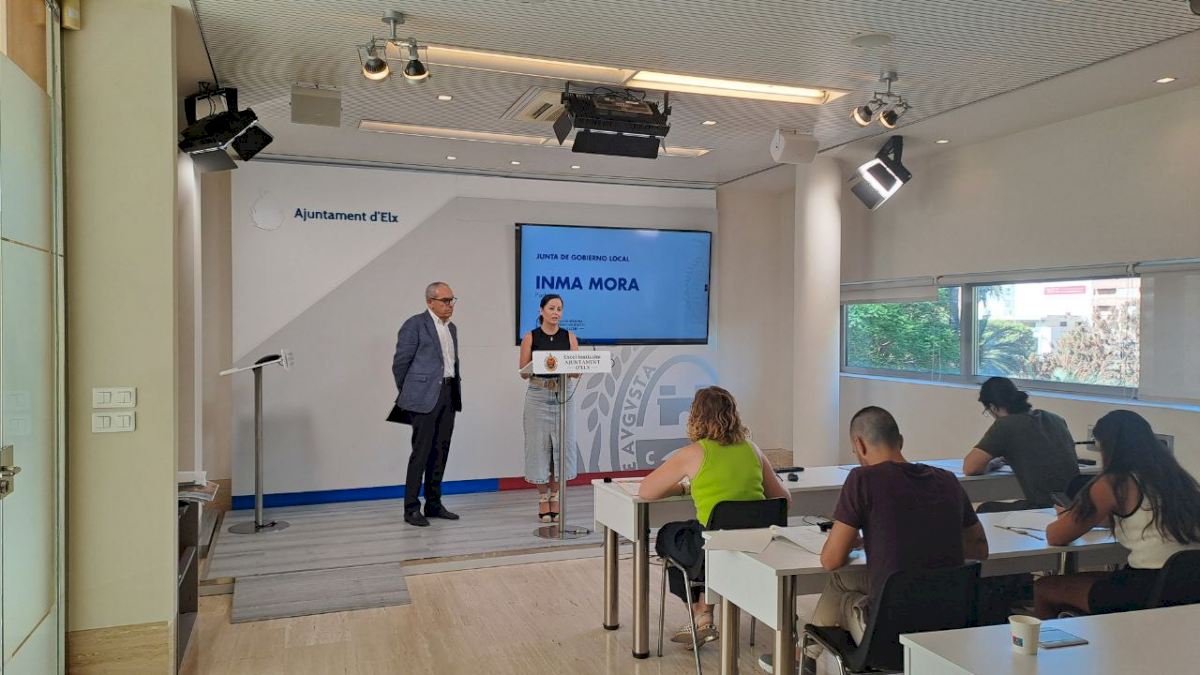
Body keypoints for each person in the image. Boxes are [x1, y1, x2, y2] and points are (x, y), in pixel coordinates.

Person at [805, 407, 988, 672]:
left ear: (859, 445)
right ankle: (806, 655)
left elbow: (830, 560)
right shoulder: (948, 480)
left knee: (841, 589)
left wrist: (857, 539)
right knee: (849, 580)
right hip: (949, 629)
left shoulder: (862, 479)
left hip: (888, 640)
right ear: (900, 441)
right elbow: (980, 549)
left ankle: (806, 656)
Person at [638, 386, 791, 648]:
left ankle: (700, 612)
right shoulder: (753, 450)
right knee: (700, 534)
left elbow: (647, 491)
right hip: (756, 547)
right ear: (734, 414)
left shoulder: (694, 453)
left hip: (711, 547)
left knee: (668, 536)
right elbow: (784, 501)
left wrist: (683, 488)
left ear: (695, 417)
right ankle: (704, 611)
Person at [1034, 410, 1200, 618]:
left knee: (1045, 587)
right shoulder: (1178, 478)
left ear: (1108, 446)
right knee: (1102, 579)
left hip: (1148, 587)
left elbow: (1056, 537)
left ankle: (1048, 639)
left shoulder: (1114, 482)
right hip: (1189, 585)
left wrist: (1067, 516)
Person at [388, 281, 463, 527]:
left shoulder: (451, 328)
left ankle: (433, 503)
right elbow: (400, 363)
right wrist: (411, 392)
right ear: (430, 302)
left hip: (448, 394)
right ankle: (411, 508)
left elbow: (451, 364)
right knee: (420, 453)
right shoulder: (414, 325)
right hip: (423, 398)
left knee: (441, 451)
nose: (450, 305)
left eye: (452, 300)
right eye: (445, 300)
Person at [963, 376, 1079, 511]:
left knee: (985, 508)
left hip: (1045, 506)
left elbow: (970, 468)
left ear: (993, 407)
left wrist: (993, 464)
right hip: (1076, 503)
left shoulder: (1005, 425)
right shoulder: (1056, 419)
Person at [518, 294, 580, 523]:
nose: (556, 313)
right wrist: (540, 364)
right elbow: (523, 372)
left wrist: (572, 366)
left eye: (559, 309)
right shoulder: (530, 337)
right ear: (541, 310)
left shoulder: (569, 337)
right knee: (538, 448)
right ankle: (543, 498)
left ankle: (556, 496)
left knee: (562, 447)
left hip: (563, 394)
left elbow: (575, 372)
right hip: (538, 395)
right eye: (552, 308)